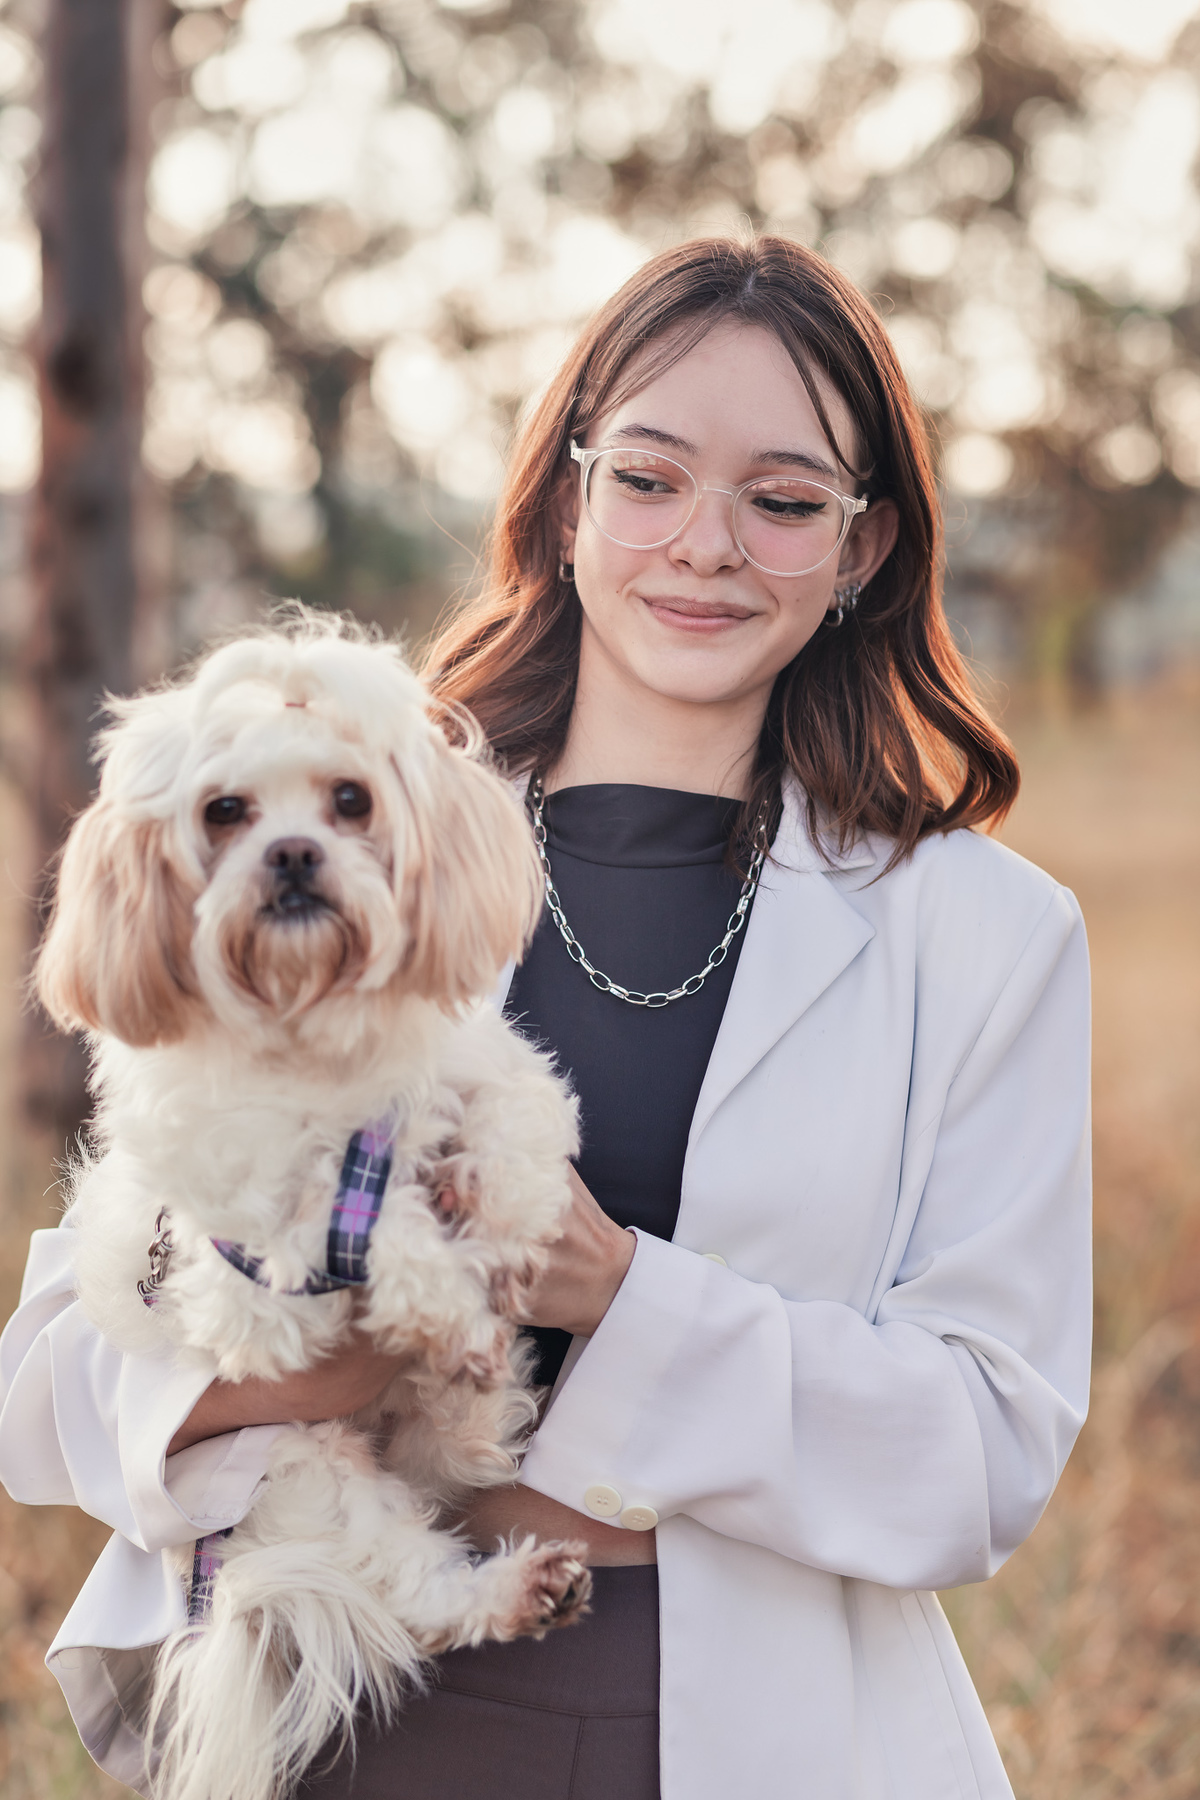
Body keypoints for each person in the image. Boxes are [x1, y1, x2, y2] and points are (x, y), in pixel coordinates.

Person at [0, 235, 1091, 1800]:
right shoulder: (332, 850)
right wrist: (311, 1368)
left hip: (752, 1732)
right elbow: (45, 1389)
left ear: (861, 550)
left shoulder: (987, 939)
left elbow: (981, 1455)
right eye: (649, 478)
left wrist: (612, 1290)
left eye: (783, 501)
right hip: (345, 1715)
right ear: (568, 502)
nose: (706, 544)